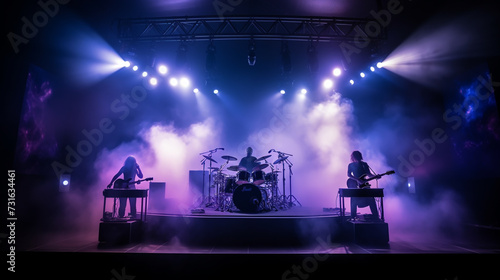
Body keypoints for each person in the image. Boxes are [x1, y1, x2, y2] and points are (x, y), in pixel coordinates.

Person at [346, 151, 380, 220]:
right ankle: (353, 217)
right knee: (353, 199)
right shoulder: (351, 165)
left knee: (371, 198)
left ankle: (376, 217)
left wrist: (375, 176)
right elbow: (349, 175)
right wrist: (357, 179)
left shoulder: (364, 164)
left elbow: (369, 174)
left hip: (364, 184)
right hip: (355, 185)